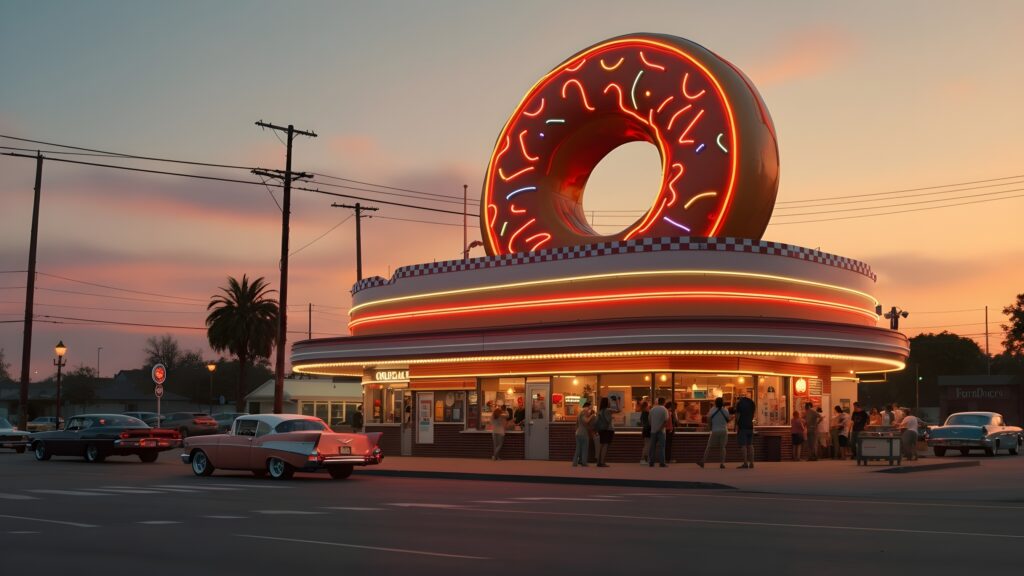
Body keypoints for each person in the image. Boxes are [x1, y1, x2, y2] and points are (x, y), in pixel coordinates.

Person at [697, 397, 730, 469]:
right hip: (724, 430)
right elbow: (728, 420)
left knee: (709, 446)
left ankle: (703, 461)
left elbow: (708, 419)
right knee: (723, 447)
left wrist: (710, 427)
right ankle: (722, 463)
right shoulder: (726, 410)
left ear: (715, 403)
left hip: (715, 430)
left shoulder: (712, 410)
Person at [734, 391, 756, 469]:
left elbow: (737, 416)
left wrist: (736, 425)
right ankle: (752, 463)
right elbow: (753, 415)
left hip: (742, 426)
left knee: (743, 445)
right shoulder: (752, 403)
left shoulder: (739, 404)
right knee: (750, 445)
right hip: (750, 426)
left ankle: (745, 463)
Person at [595, 397, 617, 467]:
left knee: (601, 445)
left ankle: (599, 461)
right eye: (608, 401)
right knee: (605, 445)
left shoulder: (600, 411)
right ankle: (602, 462)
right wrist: (617, 401)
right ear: (606, 403)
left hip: (601, 429)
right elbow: (618, 410)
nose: (609, 402)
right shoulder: (608, 410)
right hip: (607, 429)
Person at [572, 399, 595, 466]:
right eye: (589, 407)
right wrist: (592, 416)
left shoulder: (579, 413)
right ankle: (584, 462)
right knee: (584, 448)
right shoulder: (583, 412)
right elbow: (586, 421)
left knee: (578, 448)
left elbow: (577, 424)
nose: (589, 409)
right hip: (583, 433)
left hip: (578, 432)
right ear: (587, 407)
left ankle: (575, 462)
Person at [648, 398, 668, 467]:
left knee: (652, 447)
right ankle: (662, 463)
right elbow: (666, 421)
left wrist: (654, 427)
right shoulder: (664, 409)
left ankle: (651, 462)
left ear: (658, 402)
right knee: (662, 447)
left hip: (653, 431)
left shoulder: (652, 409)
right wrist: (660, 428)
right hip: (661, 432)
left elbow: (649, 420)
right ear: (664, 402)